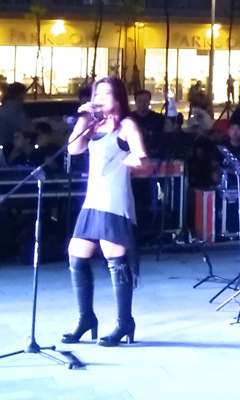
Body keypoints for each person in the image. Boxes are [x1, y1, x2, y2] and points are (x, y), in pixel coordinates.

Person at [61, 76, 151, 348]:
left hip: (114, 201)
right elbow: (72, 149)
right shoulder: (94, 125)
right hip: (92, 201)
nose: (99, 98)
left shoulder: (126, 126)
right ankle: (85, 317)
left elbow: (144, 161)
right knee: (76, 255)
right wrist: (85, 118)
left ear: (119, 98)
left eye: (106, 93)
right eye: (95, 93)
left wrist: (134, 160)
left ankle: (124, 322)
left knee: (115, 259)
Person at [0, 81, 27, 147]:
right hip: (9, 141)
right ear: (21, 93)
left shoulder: (5, 105)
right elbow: (17, 126)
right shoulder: (14, 107)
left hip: (1, 140)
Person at [131, 90, 167, 158]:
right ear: (135, 102)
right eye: (140, 101)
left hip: (155, 155)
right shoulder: (129, 119)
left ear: (149, 102)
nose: (142, 103)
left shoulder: (159, 118)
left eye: (145, 100)